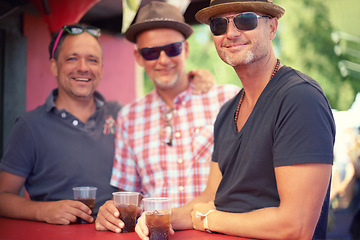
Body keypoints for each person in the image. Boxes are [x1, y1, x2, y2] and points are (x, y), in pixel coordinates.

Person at [135, 1, 336, 240]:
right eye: (219, 24)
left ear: (272, 27)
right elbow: (209, 199)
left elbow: (295, 226)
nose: (230, 33)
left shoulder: (300, 98)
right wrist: (156, 217)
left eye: (246, 20)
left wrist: (209, 219)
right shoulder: (228, 110)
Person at [0, 23, 211, 225]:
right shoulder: (30, 126)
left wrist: (194, 79)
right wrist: (42, 210)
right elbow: (3, 196)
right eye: (72, 58)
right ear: (54, 66)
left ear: (101, 68)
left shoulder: (121, 115)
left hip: (117, 230)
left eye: (92, 60)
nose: (83, 68)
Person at [95, 1, 239, 233]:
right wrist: (112, 210)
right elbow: (129, 196)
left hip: (219, 233)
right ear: (138, 57)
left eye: (172, 49)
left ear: (186, 49)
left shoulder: (227, 99)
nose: (163, 60)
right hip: (157, 235)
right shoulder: (129, 118)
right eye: (151, 52)